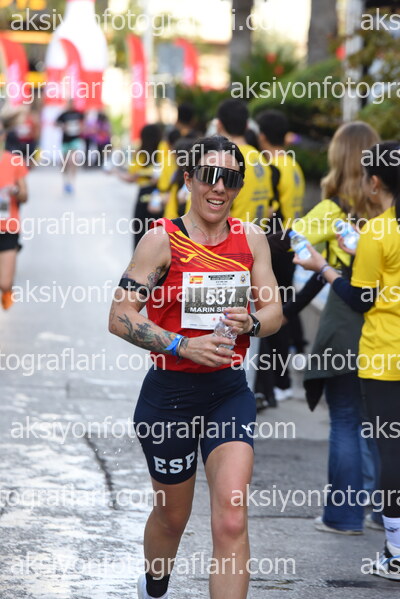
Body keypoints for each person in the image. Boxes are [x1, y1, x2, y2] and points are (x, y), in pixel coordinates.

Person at [109, 135, 282, 599]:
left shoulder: (251, 238)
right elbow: (120, 316)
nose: (219, 187)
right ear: (189, 179)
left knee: (232, 516)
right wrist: (183, 345)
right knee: (173, 516)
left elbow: (274, 312)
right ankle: (155, 585)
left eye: (230, 179)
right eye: (209, 176)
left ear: (238, 186)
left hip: (228, 392)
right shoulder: (161, 239)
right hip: (169, 397)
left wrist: (252, 322)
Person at [293, 140, 400, 580]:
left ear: (375, 182)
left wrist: (324, 266)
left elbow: (360, 298)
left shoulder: (374, 229)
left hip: (380, 355)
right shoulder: (376, 233)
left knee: (385, 450)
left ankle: (390, 548)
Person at [267, 121, 381, 534]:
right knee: (379, 421)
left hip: (345, 320)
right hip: (386, 322)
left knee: (347, 418)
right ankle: (383, 514)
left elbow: (291, 242)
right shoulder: (389, 211)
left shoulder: (333, 210)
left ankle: (343, 516)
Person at [254, 109, 306, 404]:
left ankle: (276, 383)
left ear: (262, 136)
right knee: (282, 311)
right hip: (291, 242)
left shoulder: (270, 167)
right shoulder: (293, 165)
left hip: (276, 244)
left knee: (272, 316)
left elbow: (271, 209)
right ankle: (281, 382)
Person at [113, 124, 163, 248]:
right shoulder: (164, 151)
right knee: (159, 235)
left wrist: (116, 172)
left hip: (143, 195)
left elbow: (131, 178)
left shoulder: (140, 153)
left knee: (140, 234)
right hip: (161, 195)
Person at [0, 118, 28, 310]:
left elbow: (25, 196)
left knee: (5, 283)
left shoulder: (15, 161)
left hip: (7, 227)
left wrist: (15, 191)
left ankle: (7, 292)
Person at [55, 99, 84, 194]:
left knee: (73, 160)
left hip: (75, 140)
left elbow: (83, 124)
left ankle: (72, 182)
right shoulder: (63, 114)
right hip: (65, 141)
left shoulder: (78, 114)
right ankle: (66, 180)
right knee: (64, 162)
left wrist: (80, 128)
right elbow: (56, 123)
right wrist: (63, 126)